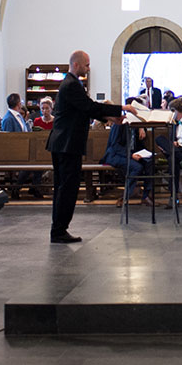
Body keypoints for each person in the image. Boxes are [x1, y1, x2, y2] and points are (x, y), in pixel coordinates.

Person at [47, 50, 125, 243]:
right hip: (67, 144)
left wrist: (109, 117)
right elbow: (89, 107)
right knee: (67, 188)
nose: (88, 69)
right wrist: (121, 109)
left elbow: (84, 110)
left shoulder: (71, 84)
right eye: (87, 65)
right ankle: (58, 231)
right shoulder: (72, 84)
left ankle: (59, 229)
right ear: (76, 65)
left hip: (64, 143)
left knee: (64, 187)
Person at [102, 105, 154, 207]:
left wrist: (144, 154)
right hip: (116, 155)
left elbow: (137, 144)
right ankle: (126, 197)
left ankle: (146, 196)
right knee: (136, 167)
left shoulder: (136, 125)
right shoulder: (120, 124)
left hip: (131, 154)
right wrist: (131, 155)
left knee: (149, 162)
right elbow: (115, 145)